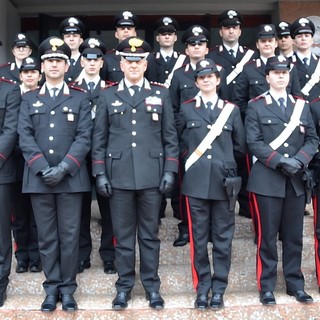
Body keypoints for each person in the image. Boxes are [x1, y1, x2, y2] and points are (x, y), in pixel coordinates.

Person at [92, 36, 179, 310]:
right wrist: (100, 174)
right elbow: (99, 139)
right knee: (123, 235)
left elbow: (170, 138)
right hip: (117, 177)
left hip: (152, 176)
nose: (133, 65)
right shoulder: (106, 95)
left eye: (138, 61)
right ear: (120, 63)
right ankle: (124, 287)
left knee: (150, 236)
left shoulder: (161, 93)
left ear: (145, 63)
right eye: (128, 61)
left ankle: (152, 287)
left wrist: (170, 171)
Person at [18, 36, 92, 312]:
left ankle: (68, 289)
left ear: (66, 64)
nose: (53, 65)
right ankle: (51, 289)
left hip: (71, 179)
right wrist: (41, 167)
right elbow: (23, 135)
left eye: (59, 60)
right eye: (49, 60)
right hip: (38, 179)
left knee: (70, 236)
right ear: (42, 65)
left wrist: (64, 168)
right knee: (47, 237)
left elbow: (85, 137)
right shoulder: (28, 98)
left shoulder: (79, 97)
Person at [245, 55, 317, 305]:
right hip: (267, 180)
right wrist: (279, 161)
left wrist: (299, 160)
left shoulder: (301, 105)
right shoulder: (255, 105)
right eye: (275, 73)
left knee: (294, 236)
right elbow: (253, 142)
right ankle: (266, 286)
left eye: (284, 73)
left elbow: (313, 139)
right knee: (267, 237)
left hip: (296, 180)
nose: (280, 77)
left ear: (289, 76)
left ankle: (295, 284)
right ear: (267, 77)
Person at [177, 58, 245, 309]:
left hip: (224, 184)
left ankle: (219, 288)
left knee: (223, 238)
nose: (206, 80)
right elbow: (179, 141)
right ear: (196, 82)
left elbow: (240, 146)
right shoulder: (186, 109)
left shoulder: (232, 110)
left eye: (211, 76)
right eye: (201, 77)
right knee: (198, 237)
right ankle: (202, 287)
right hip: (195, 183)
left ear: (218, 80)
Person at [70, 37, 116, 274]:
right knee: (79, 208)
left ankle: (109, 255)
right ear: (81, 61)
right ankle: (81, 254)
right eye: (87, 58)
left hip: (104, 155)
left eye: (96, 59)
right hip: (76, 155)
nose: (91, 63)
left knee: (108, 208)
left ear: (101, 62)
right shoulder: (71, 87)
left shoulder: (111, 88)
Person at [207, 9, 254, 219]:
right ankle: (221, 204)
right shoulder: (211, 56)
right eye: (227, 27)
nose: (231, 30)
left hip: (245, 116)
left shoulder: (250, 56)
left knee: (243, 160)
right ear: (221, 31)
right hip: (220, 118)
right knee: (222, 160)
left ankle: (245, 205)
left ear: (240, 30)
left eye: (235, 27)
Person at [169, 24, 211, 247]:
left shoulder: (218, 72)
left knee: (214, 186)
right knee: (186, 188)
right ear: (186, 49)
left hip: (214, 141)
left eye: (200, 44)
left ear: (207, 48)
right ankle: (185, 229)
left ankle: (210, 229)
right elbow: (174, 109)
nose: (196, 47)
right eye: (192, 44)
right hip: (188, 142)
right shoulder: (179, 75)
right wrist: (180, 138)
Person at [234, 24, 301, 120]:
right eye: (263, 41)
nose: (267, 44)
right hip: (258, 122)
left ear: (276, 43)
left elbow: (296, 96)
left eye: (270, 41)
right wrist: (252, 115)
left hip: (285, 120)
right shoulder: (248, 69)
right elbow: (239, 99)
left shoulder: (290, 67)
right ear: (257, 44)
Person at [13, 57, 42, 274]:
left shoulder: (44, 96)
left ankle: (36, 257)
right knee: (20, 215)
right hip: (15, 163)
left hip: (38, 162)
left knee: (37, 216)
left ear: (39, 75)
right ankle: (22, 256)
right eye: (26, 72)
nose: (30, 75)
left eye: (33, 72)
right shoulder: (12, 95)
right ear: (20, 75)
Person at [0, 75, 21, 307]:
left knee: (1, 232)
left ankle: (0, 281)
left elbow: (10, 130)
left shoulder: (9, 90)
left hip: (1, 169)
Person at [101, 11, 156, 83]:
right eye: (122, 28)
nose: (126, 31)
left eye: (129, 28)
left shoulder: (147, 57)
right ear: (116, 34)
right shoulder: (107, 58)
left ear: (135, 33)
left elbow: (152, 85)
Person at [290, 17, 320, 102]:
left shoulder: (318, 62)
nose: (303, 38)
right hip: (297, 110)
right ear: (294, 41)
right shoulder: (287, 63)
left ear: (312, 40)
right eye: (299, 36)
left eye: (307, 36)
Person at [153, 16, 187, 85]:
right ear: (157, 38)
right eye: (163, 34)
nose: (167, 37)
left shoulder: (183, 59)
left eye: (170, 34)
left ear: (175, 38)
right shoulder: (150, 59)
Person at [59, 17, 85, 84]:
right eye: (67, 36)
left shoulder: (87, 60)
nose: (71, 39)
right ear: (63, 40)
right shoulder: (57, 61)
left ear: (81, 40)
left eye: (75, 36)